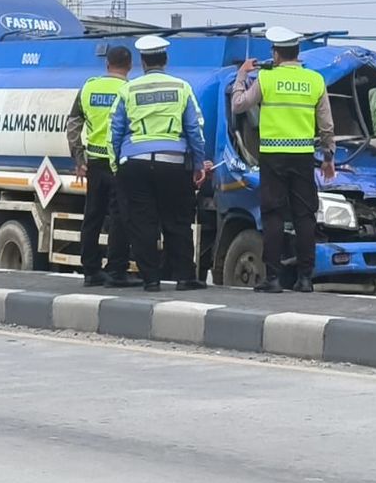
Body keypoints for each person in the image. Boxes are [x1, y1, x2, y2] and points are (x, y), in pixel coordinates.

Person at [232, 26, 335, 294]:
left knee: (273, 215)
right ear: (297, 53)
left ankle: (273, 278)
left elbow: (239, 105)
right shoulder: (315, 81)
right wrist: (328, 157)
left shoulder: (266, 79)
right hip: (303, 157)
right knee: (305, 217)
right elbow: (326, 125)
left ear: (276, 54)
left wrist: (242, 74)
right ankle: (305, 279)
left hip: (273, 156)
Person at [110, 35, 212, 292]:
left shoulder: (127, 90)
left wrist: (116, 166)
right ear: (165, 60)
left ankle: (151, 280)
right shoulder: (182, 87)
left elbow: (115, 131)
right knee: (177, 221)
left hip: (135, 164)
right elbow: (194, 129)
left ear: (142, 62)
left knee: (142, 222)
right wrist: (198, 164)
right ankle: (185, 278)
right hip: (173, 163)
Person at [66, 45, 137, 288]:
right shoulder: (129, 90)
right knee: (119, 217)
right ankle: (117, 270)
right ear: (129, 66)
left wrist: (78, 158)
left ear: (107, 64)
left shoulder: (89, 87)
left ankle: (90, 271)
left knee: (92, 216)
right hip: (120, 165)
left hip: (93, 164)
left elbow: (73, 123)